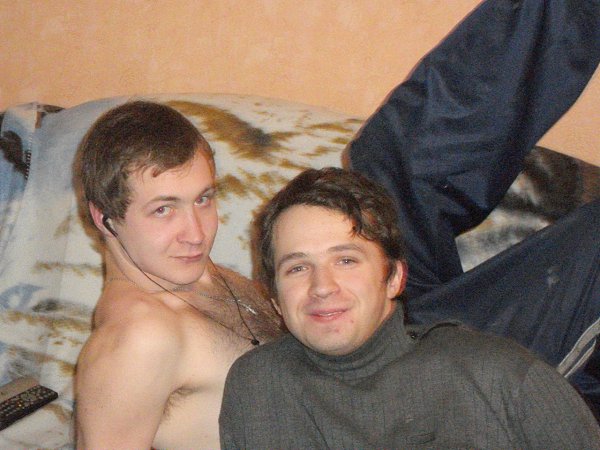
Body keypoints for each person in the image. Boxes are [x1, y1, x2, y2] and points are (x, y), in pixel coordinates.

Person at [219, 166, 600, 448]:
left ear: (395, 278)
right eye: (298, 268)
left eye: (346, 260)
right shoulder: (259, 385)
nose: (322, 287)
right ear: (275, 299)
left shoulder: (503, 379)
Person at [73, 101, 281, 449]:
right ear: (104, 219)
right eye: (163, 210)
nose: (196, 234)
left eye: (203, 199)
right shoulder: (139, 339)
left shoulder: (204, 276)